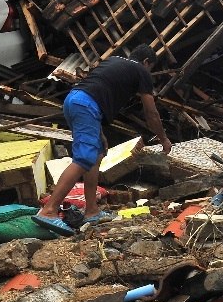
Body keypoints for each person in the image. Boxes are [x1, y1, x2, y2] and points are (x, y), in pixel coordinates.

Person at [32, 44, 173, 236]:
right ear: (147, 62)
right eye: (151, 67)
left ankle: (92, 211)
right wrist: (164, 139)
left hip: (74, 100)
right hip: (86, 105)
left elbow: (96, 90)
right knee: (83, 158)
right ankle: (49, 210)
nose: (149, 72)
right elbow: (151, 112)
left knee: (95, 154)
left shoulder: (114, 61)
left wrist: (100, 134)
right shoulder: (141, 71)